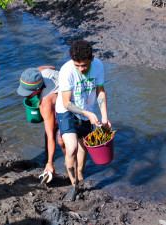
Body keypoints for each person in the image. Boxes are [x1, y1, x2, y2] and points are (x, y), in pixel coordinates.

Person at [55, 40, 111, 201]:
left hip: (87, 110)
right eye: (77, 65)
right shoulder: (66, 71)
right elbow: (66, 103)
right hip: (67, 111)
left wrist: (104, 117)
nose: (81, 69)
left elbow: (100, 91)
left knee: (84, 146)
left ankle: (80, 173)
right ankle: (74, 185)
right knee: (71, 148)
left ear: (92, 59)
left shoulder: (98, 65)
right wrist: (87, 113)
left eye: (84, 65)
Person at [17, 66, 65, 174]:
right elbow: (52, 67)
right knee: (49, 131)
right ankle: (47, 154)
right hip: (58, 96)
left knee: (60, 138)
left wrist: (50, 163)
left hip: (69, 101)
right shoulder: (39, 72)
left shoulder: (45, 105)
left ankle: (68, 160)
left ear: (37, 90)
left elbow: (50, 135)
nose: (25, 95)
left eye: (28, 93)